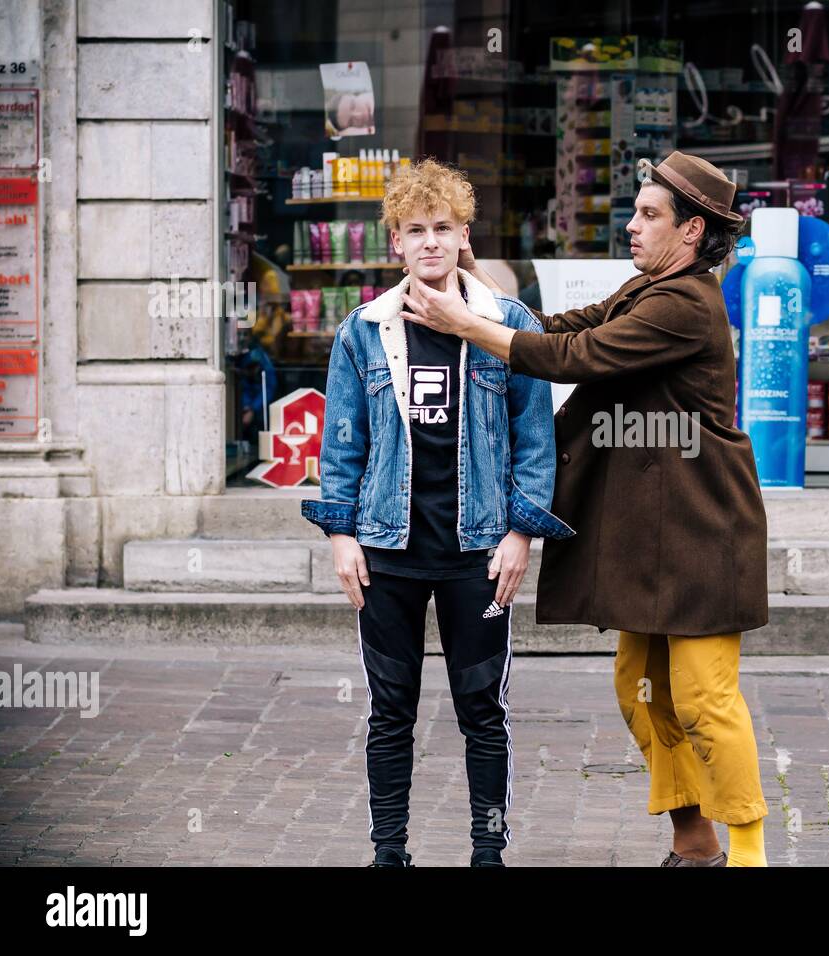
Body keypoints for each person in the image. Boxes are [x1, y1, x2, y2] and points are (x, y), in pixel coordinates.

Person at [403, 151, 771, 867]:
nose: (630, 225)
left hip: (706, 532)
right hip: (658, 534)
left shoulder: (685, 304)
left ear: (691, 231)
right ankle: (695, 845)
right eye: (635, 210)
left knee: (703, 698)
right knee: (642, 693)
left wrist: (463, 324)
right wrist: (473, 281)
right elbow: (553, 325)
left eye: (648, 215)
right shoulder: (646, 287)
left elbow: (577, 355)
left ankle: (749, 851)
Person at [301, 158, 573, 868]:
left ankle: (489, 852)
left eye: (442, 228)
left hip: (477, 554)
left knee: (484, 713)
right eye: (415, 230)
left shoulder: (507, 325)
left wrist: (521, 533)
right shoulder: (363, 331)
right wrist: (340, 536)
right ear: (395, 241)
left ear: (463, 235)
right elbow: (342, 445)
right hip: (386, 550)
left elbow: (534, 442)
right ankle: (389, 854)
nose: (429, 241)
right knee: (390, 714)